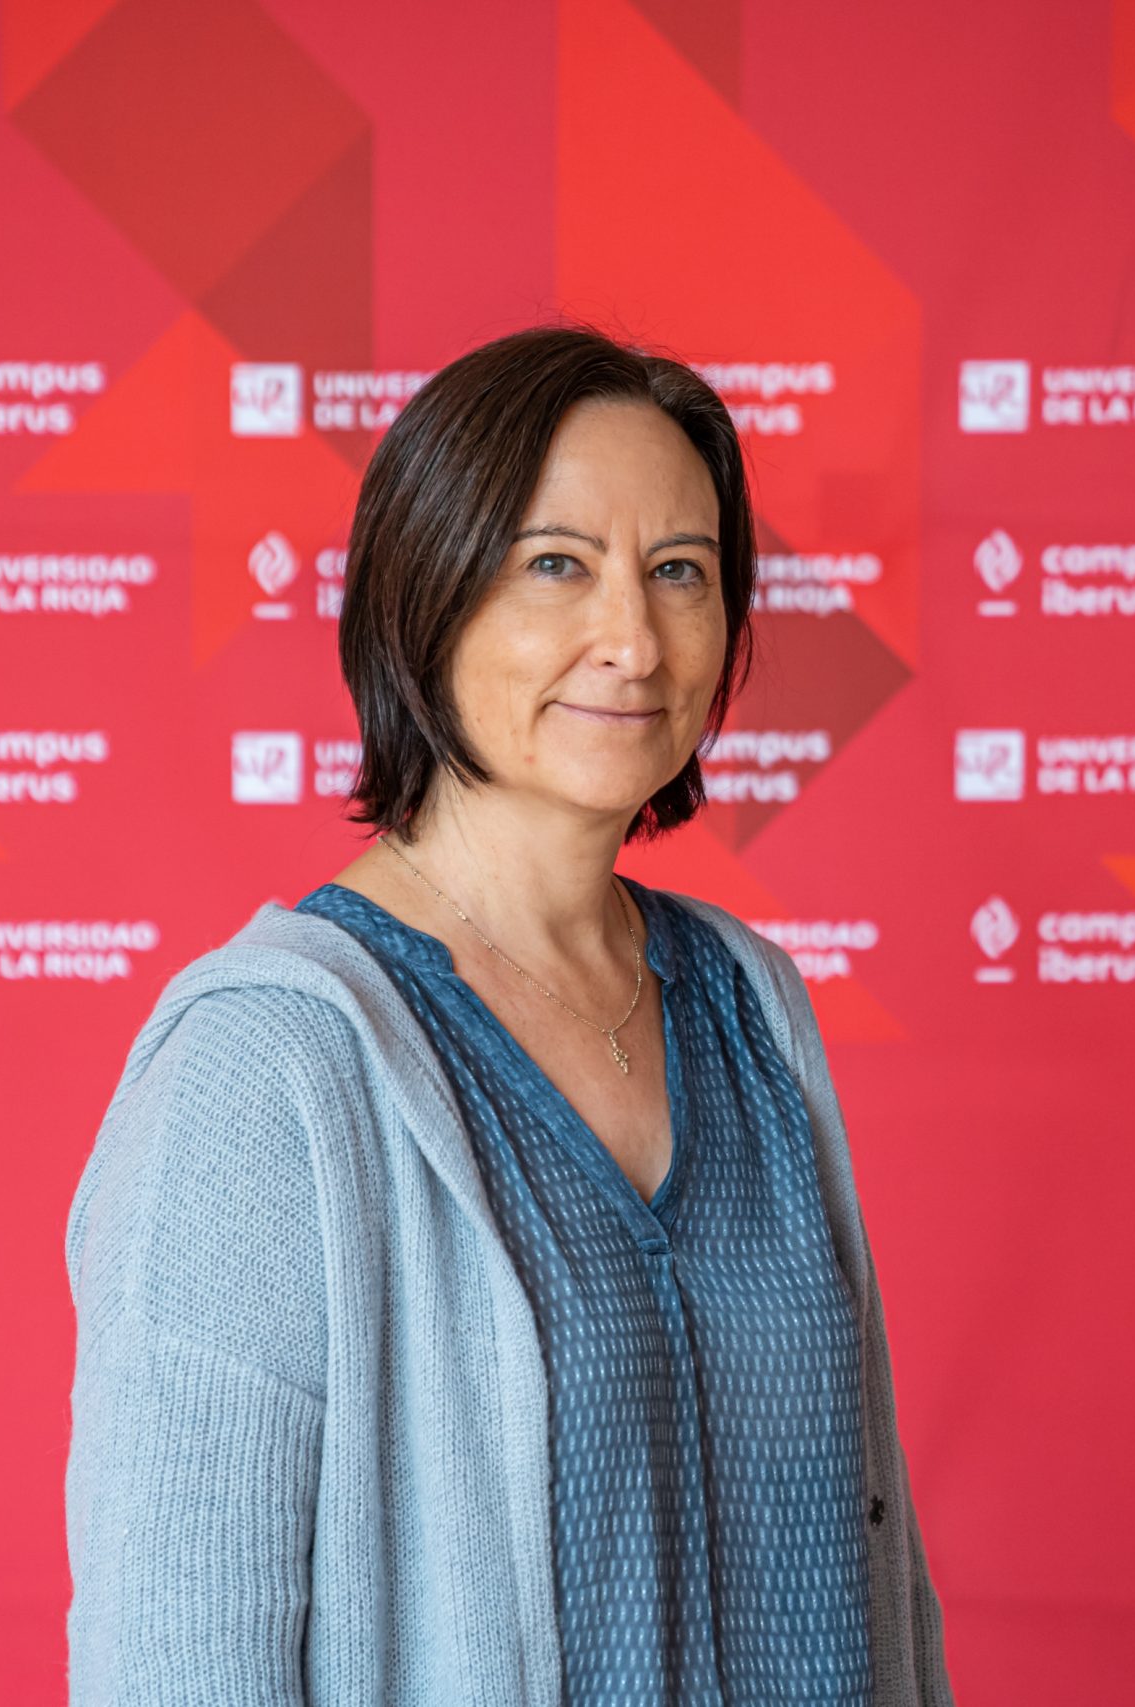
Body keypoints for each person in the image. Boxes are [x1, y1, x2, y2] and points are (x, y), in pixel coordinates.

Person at [64, 322, 952, 1704]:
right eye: (557, 565)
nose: (634, 640)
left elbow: (874, 1569)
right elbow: (175, 1662)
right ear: (425, 597)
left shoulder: (750, 1003)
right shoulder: (266, 1065)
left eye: (681, 571)